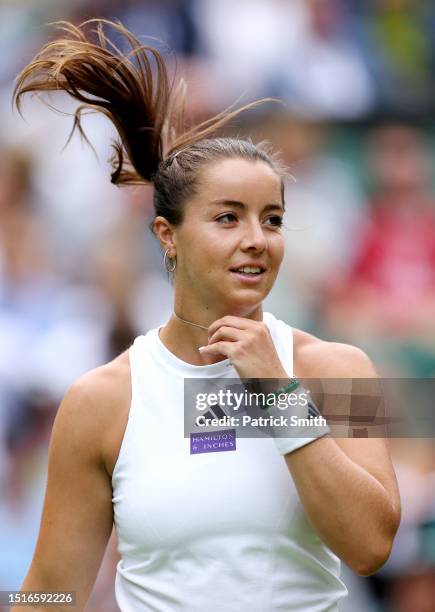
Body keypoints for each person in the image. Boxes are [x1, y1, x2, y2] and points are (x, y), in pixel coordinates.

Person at [12, 19, 401, 612]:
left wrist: (277, 390)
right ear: (167, 236)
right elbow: (50, 592)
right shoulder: (100, 400)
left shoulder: (339, 368)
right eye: (227, 218)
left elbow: (373, 544)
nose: (257, 239)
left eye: (271, 218)